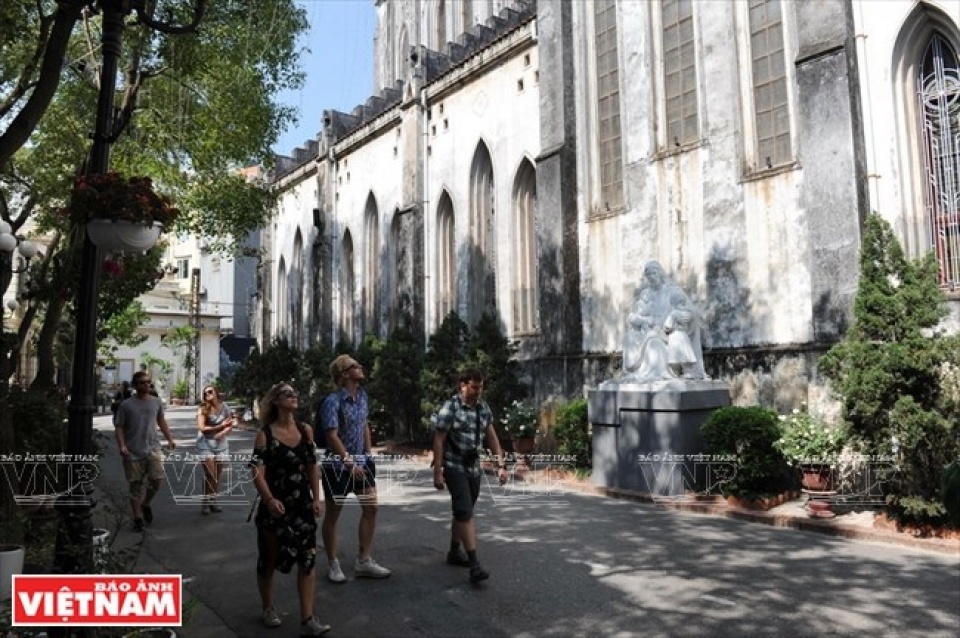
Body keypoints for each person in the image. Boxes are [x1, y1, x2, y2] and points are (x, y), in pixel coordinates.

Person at [249, 382, 330, 636]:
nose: (293, 396)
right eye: (287, 393)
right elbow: (257, 472)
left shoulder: (305, 430)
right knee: (270, 559)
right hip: (276, 507)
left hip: (302, 506)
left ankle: (308, 619)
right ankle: (268, 607)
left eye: (295, 393)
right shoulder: (265, 434)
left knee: (307, 560)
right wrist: (270, 500)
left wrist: (316, 498)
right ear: (275, 400)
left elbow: (312, 466)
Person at [318, 355, 391, 583]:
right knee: (333, 514)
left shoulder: (362, 396)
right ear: (344, 374)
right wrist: (349, 462)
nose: (360, 368)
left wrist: (367, 454)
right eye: (355, 366)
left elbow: (364, 425)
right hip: (338, 466)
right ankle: (333, 563)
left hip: (361, 463)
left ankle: (364, 561)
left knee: (372, 508)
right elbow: (331, 434)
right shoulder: (333, 401)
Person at [432, 368, 508, 583]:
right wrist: (438, 471)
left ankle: (455, 552)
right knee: (465, 511)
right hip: (454, 465)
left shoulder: (483, 408)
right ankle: (474, 564)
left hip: (474, 467)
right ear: (462, 385)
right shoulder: (451, 407)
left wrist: (501, 465)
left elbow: (492, 438)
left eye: (481, 387)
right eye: (475, 387)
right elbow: (439, 439)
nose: (478, 391)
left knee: (463, 510)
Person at [114, 370, 177, 533]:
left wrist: (170, 438)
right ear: (135, 385)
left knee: (157, 479)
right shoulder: (126, 405)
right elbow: (119, 427)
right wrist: (122, 445)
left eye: (148, 382)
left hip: (153, 448)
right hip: (133, 450)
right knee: (135, 485)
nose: (146, 385)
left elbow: (161, 421)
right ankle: (137, 518)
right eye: (142, 382)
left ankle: (146, 503)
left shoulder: (156, 402)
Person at [196, 385, 234, 514]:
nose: (208, 394)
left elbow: (230, 425)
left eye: (210, 391)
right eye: (205, 393)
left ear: (216, 393)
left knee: (216, 475)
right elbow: (202, 428)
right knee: (210, 474)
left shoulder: (225, 407)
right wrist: (220, 427)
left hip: (221, 445)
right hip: (205, 443)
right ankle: (206, 502)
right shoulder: (203, 409)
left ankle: (214, 501)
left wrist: (223, 432)